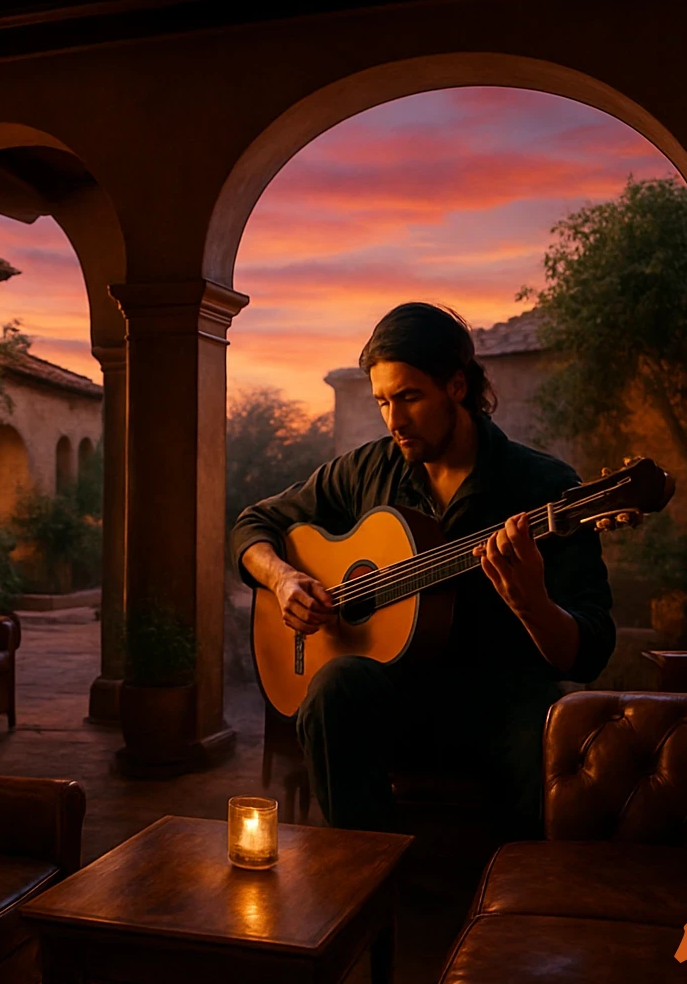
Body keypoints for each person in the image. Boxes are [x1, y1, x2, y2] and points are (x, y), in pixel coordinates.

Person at [231, 302, 614, 834]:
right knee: (335, 685)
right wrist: (282, 576)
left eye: (409, 397)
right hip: (398, 704)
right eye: (383, 401)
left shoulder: (543, 489)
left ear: (457, 386)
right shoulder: (368, 469)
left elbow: (591, 649)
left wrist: (533, 604)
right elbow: (254, 525)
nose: (394, 420)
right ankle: (365, 883)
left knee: (542, 730)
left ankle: (522, 904)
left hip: (499, 709)